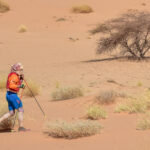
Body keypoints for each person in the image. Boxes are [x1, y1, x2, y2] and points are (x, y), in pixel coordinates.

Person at [0, 63, 27, 132]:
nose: (21, 71)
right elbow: (12, 86)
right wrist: (20, 86)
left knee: (11, 113)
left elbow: (16, 84)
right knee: (20, 110)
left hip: (9, 95)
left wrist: (20, 80)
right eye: (20, 69)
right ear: (16, 69)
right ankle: (21, 127)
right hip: (13, 95)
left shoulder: (13, 75)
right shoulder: (14, 76)